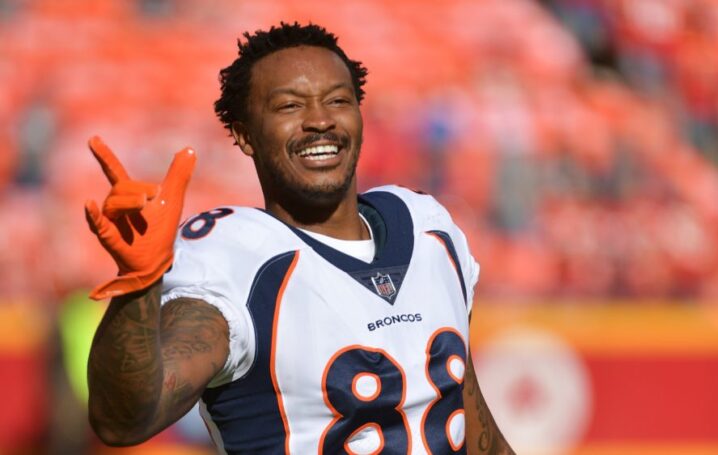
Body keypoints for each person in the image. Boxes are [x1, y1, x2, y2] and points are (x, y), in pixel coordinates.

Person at [85, 22, 514, 454]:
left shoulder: (428, 228)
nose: (320, 120)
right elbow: (125, 422)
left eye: (338, 100)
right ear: (243, 134)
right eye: (289, 106)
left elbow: (470, 424)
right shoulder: (236, 259)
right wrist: (138, 284)